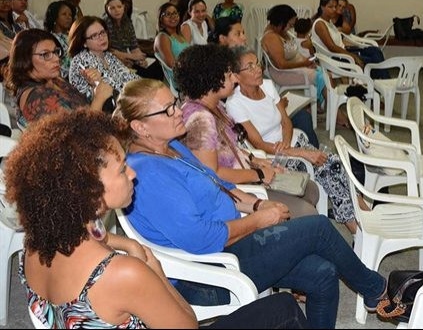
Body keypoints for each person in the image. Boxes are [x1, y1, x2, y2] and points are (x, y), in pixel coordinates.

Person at [115, 79, 387, 328]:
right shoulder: (148, 175)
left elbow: (218, 184)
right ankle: (377, 290)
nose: (177, 111)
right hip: (207, 273)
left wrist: (256, 206)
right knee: (318, 227)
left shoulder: (170, 147)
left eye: (174, 103)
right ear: (140, 127)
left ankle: (373, 291)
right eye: (167, 110)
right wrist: (258, 220)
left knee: (323, 273)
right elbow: (201, 239)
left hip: (231, 247)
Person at [5, 108, 309, 329]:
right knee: (283, 309)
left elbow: (99, 236)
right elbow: (187, 324)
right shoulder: (123, 274)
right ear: (89, 190)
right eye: (123, 169)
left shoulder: (36, 244)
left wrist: (127, 244)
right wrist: (154, 270)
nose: (133, 173)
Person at [174, 44, 320, 218]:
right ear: (212, 78)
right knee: (309, 212)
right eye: (230, 75)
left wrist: (255, 159)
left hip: (247, 173)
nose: (235, 79)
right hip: (237, 192)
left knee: (311, 190)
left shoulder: (215, 106)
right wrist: (258, 174)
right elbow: (213, 175)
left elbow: (228, 148)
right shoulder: (200, 120)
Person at [225, 47, 361, 233]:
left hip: (291, 145)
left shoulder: (267, 85)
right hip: (273, 158)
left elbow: (286, 122)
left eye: (257, 63)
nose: (257, 68)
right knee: (331, 167)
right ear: (236, 76)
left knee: (337, 163)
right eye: (249, 67)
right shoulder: (235, 103)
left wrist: (288, 144)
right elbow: (259, 144)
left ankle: (359, 217)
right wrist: (295, 152)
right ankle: (356, 225)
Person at [211, 15, 320, 145]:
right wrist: (272, 105)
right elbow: (234, 104)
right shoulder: (222, 70)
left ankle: (311, 152)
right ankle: (310, 152)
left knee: (301, 117)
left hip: (264, 109)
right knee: (302, 118)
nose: (244, 37)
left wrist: (275, 101)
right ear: (222, 39)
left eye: (243, 33)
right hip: (252, 120)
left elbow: (260, 88)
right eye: (238, 34)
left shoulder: (244, 58)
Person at [6, 29, 113, 126]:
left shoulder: (55, 80)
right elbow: (75, 139)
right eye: (46, 54)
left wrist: (94, 87)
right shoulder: (35, 97)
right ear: (25, 59)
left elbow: (84, 111)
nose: (56, 59)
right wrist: (99, 98)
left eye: (56, 52)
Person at [261, 4, 325, 106]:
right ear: (281, 22)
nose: (291, 28)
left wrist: (307, 62)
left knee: (323, 72)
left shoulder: (280, 31)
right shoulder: (271, 38)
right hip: (281, 73)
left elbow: (295, 54)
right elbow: (281, 64)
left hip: (294, 67)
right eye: (290, 25)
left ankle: (325, 105)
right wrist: (304, 63)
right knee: (321, 77)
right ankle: (332, 109)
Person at [311, 0, 388, 78]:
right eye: (330, 7)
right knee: (372, 62)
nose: (334, 9)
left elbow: (344, 34)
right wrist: (352, 56)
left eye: (335, 7)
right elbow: (331, 47)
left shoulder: (329, 22)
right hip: (335, 57)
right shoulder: (320, 24)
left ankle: (384, 81)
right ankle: (382, 83)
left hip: (343, 51)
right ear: (322, 7)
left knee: (375, 50)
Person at [68, 16, 139, 102]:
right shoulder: (80, 61)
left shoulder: (108, 56)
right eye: (94, 36)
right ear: (84, 42)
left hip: (127, 101)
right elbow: (110, 93)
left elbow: (130, 78)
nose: (101, 37)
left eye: (102, 32)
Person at [102, 0, 149, 71]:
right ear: (107, 9)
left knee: (152, 68)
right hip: (110, 60)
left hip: (127, 59)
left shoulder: (127, 22)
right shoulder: (105, 23)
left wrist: (141, 60)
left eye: (119, 7)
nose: (117, 10)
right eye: (112, 8)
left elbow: (134, 46)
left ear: (123, 7)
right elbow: (108, 50)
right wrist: (132, 56)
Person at [43, 0, 75, 78]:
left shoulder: (72, 36)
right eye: (64, 14)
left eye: (70, 15)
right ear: (55, 17)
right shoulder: (50, 39)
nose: (68, 17)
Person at [154, 2, 190, 69]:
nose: (172, 16)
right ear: (161, 19)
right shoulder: (162, 37)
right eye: (168, 14)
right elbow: (172, 64)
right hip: (176, 76)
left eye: (175, 13)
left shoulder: (179, 35)